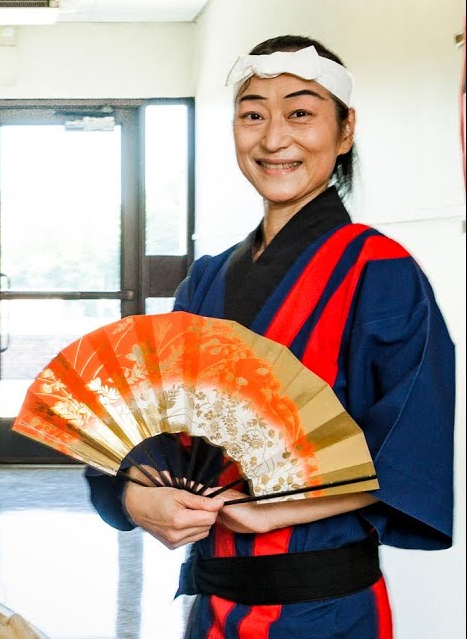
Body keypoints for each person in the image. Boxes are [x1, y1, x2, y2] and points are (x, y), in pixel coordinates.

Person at [87, 36, 455, 637]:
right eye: (253, 113)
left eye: (301, 113)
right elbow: (144, 427)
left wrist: (274, 513)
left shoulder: (381, 272)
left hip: (327, 609)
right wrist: (134, 496)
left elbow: (410, 448)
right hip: (213, 606)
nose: (274, 137)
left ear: (345, 129)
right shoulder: (204, 280)